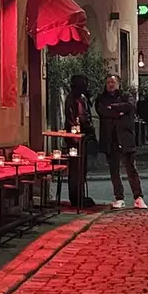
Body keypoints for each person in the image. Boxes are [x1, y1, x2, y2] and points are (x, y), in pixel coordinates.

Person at [95, 75, 146, 208]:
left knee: (131, 168)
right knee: (114, 170)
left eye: (112, 82)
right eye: (108, 82)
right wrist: (118, 112)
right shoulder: (101, 98)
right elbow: (102, 110)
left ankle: (138, 197)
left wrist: (113, 107)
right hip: (110, 138)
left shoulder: (126, 95)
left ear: (118, 83)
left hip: (125, 138)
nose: (110, 85)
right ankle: (119, 197)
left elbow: (130, 106)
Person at [64, 75, 95, 208]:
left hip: (72, 138)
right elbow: (83, 118)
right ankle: (78, 198)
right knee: (79, 169)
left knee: (75, 170)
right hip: (79, 139)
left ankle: (76, 197)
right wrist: (91, 130)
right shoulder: (79, 99)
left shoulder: (71, 97)